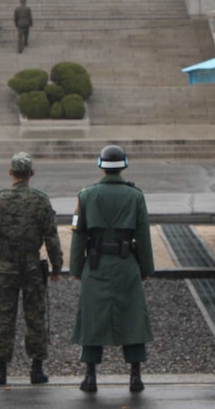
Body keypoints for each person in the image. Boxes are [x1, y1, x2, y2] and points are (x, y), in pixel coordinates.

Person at [70, 145, 154, 393]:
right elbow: (143, 236)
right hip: (126, 263)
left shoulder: (85, 195)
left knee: (91, 318)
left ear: (101, 165)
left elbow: (78, 236)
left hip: (95, 265)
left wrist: (76, 268)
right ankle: (135, 377)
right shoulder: (136, 196)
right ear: (124, 165)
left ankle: (90, 376)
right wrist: (146, 268)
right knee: (133, 317)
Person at [0, 152, 63, 386]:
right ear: (31, 174)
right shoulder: (41, 200)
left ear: (11, 173)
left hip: (6, 266)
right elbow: (51, 238)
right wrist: (57, 267)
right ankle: (36, 369)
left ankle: (0, 370)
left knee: (4, 316)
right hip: (33, 267)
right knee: (35, 316)